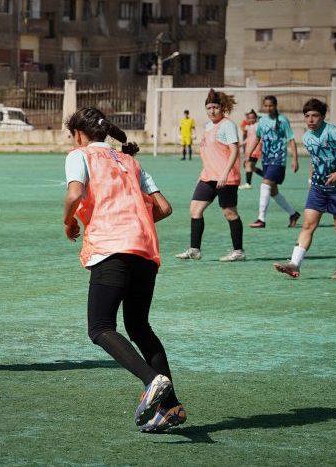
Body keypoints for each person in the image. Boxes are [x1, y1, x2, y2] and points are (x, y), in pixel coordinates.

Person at [63, 107, 184, 433]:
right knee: (139, 327)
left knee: (100, 327)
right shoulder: (132, 161)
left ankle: (151, 380)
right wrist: (134, 223)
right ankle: (171, 407)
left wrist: (68, 221)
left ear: (78, 134)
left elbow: (74, 193)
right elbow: (164, 208)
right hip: (145, 249)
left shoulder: (80, 155)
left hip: (111, 249)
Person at [274, 98, 336, 279]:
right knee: (308, 225)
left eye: (315, 115)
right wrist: (310, 181)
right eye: (307, 116)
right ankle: (294, 264)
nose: (311, 119)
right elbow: (315, 160)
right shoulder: (307, 137)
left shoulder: (334, 133)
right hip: (318, 189)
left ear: (323, 116)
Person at [176, 89, 246, 262]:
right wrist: (203, 173)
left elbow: (234, 151)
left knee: (229, 213)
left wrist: (225, 174)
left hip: (225, 178)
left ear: (222, 108)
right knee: (195, 209)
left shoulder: (227, 125)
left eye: (215, 107)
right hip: (208, 177)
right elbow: (210, 153)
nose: (212, 111)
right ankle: (195, 250)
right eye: (209, 108)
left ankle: (238, 251)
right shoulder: (208, 126)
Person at [247, 95, 301, 228]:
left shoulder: (283, 120)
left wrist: (295, 159)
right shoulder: (262, 121)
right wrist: (249, 154)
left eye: (271, 105)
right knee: (273, 191)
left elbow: (291, 140)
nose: (268, 108)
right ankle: (293, 214)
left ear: (275, 106)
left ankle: (261, 219)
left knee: (265, 185)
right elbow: (257, 138)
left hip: (278, 159)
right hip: (266, 159)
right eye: (266, 105)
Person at [239, 109, 263, 189]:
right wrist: (241, 144)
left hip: (255, 150)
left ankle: (248, 183)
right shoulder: (249, 127)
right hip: (249, 150)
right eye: (249, 118)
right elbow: (248, 138)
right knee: (251, 167)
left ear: (256, 118)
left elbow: (260, 138)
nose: (251, 119)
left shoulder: (257, 126)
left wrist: (260, 146)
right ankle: (267, 177)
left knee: (248, 165)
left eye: (253, 118)